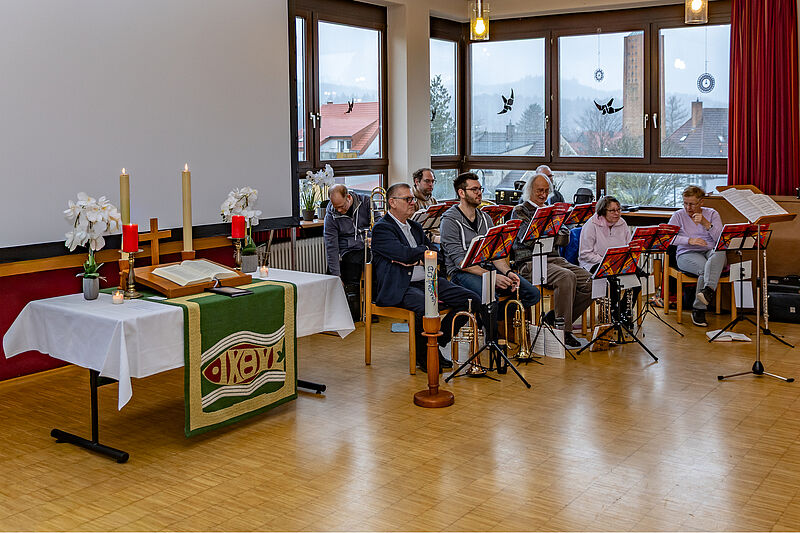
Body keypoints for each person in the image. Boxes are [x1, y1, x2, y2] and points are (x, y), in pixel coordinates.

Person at [371, 183, 480, 373]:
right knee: (426, 306)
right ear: (392, 202)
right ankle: (424, 356)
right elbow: (404, 254)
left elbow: (436, 252)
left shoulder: (414, 226)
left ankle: (437, 341)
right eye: (407, 199)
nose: (412, 203)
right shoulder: (382, 229)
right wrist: (420, 254)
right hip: (401, 286)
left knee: (471, 300)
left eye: (412, 199)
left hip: (428, 280)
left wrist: (416, 256)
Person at [440, 172, 540, 312]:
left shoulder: (485, 218)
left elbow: (495, 254)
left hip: (486, 268)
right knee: (490, 298)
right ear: (461, 193)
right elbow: (461, 263)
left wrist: (508, 272)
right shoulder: (449, 220)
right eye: (474, 189)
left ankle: (494, 317)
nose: (479, 193)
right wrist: (493, 277)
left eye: (480, 189)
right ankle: (490, 319)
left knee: (533, 294)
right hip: (462, 273)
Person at [511, 173, 592, 347]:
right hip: (529, 262)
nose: (543, 194)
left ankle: (554, 318)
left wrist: (550, 232)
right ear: (530, 190)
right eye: (539, 190)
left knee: (589, 281)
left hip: (554, 259)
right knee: (566, 276)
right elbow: (528, 241)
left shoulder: (552, 210)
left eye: (546, 191)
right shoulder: (519, 211)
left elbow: (565, 238)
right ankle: (564, 331)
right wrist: (551, 230)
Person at [668, 185, 725, 327]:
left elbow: (721, 240)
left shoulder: (712, 214)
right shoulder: (678, 215)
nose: (688, 208)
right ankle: (701, 305)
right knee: (706, 269)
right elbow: (668, 238)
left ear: (701, 202)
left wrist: (706, 223)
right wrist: (689, 240)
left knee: (721, 251)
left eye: (692, 204)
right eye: (685, 203)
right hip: (687, 253)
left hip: (710, 251)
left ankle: (705, 295)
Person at [578, 195, 637, 330]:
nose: (617, 213)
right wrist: (606, 261)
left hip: (617, 262)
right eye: (612, 210)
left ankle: (622, 312)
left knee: (637, 280)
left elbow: (628, 246)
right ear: (603, 211)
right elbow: (585, 254)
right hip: (593, 263)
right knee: (613, 282)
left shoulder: (622, 223)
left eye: (618, 210)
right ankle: (614, 315)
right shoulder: (591, 225)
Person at [323, 184, 372, 322]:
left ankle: (373, 308)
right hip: (348, 250)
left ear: (349, 197)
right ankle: (352, 312)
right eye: (336, 207)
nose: (339, 210)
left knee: (379, 262)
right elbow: (331, 246)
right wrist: (336, 275)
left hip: (368, 245)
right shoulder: (331, 214)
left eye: (341, 206)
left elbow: (379, 223)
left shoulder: (366, 202)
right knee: (349, 266)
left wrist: (373, 238)